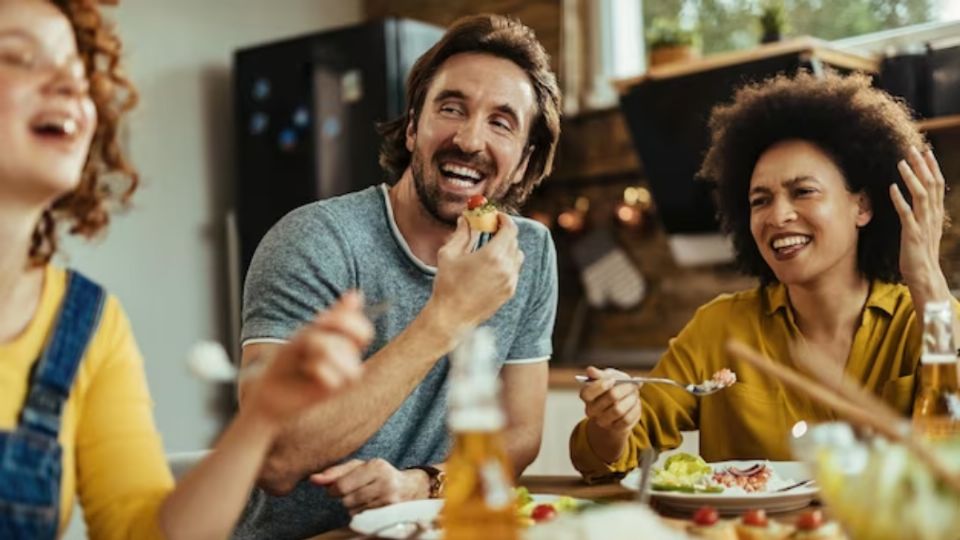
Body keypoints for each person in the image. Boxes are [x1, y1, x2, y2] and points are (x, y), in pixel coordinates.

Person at [0, 1, 372, 538]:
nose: (65, 84)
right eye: (19, 57)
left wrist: (261, 416)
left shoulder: (85, 325)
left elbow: (145, 531)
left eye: (77, 74)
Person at [236, 13, 561, 538]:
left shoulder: (529, 253)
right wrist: (447, 316)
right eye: (451, 108)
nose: (470, 139)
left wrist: (424, 483)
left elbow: (519, 434)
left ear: (523, 162)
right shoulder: (315, 241)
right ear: (413, 128)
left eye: (501, 122)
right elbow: (273, 458)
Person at [569, 71, 954, 482]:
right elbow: (605, 455)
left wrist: (927, 278)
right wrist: (612, 422)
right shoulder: (720, 329)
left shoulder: (922, 317)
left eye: (803, 191)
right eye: (760, 200)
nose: (778, 216)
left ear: (861, 206)